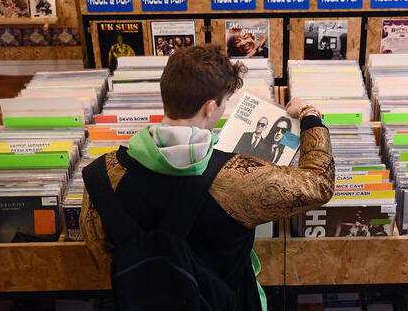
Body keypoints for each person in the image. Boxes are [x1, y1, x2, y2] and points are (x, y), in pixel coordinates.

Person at [80, 44, 334, 311]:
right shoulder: (239, 178)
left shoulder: (101, 175)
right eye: (224, 102)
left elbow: (100, 246)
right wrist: (311, 117)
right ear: (210, 107)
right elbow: (318, 183)